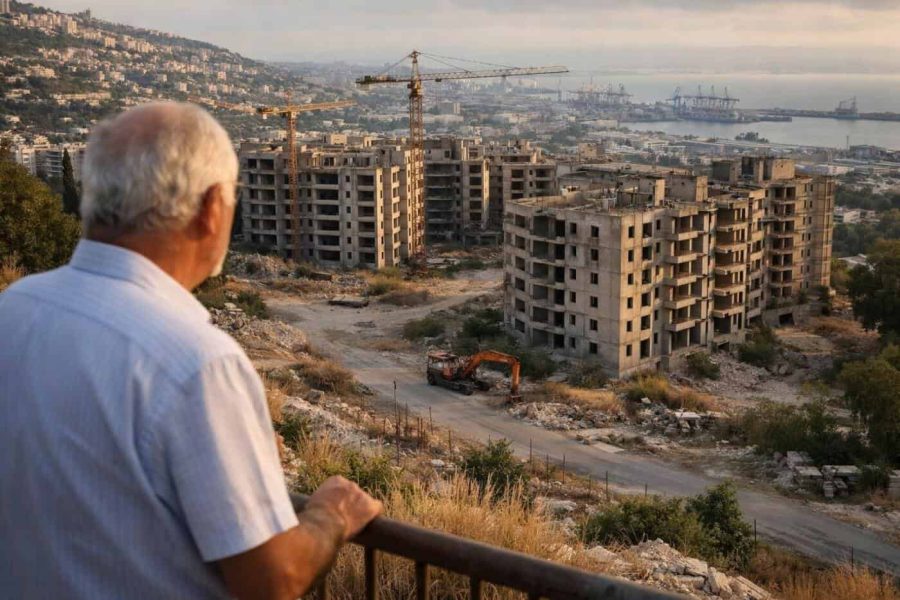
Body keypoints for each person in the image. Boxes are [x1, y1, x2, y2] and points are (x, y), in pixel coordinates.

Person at [0, 102, 382, 599]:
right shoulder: (196, 362)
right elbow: (272, 579)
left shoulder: (17, 307)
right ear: (210, 209)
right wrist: (331, 513)